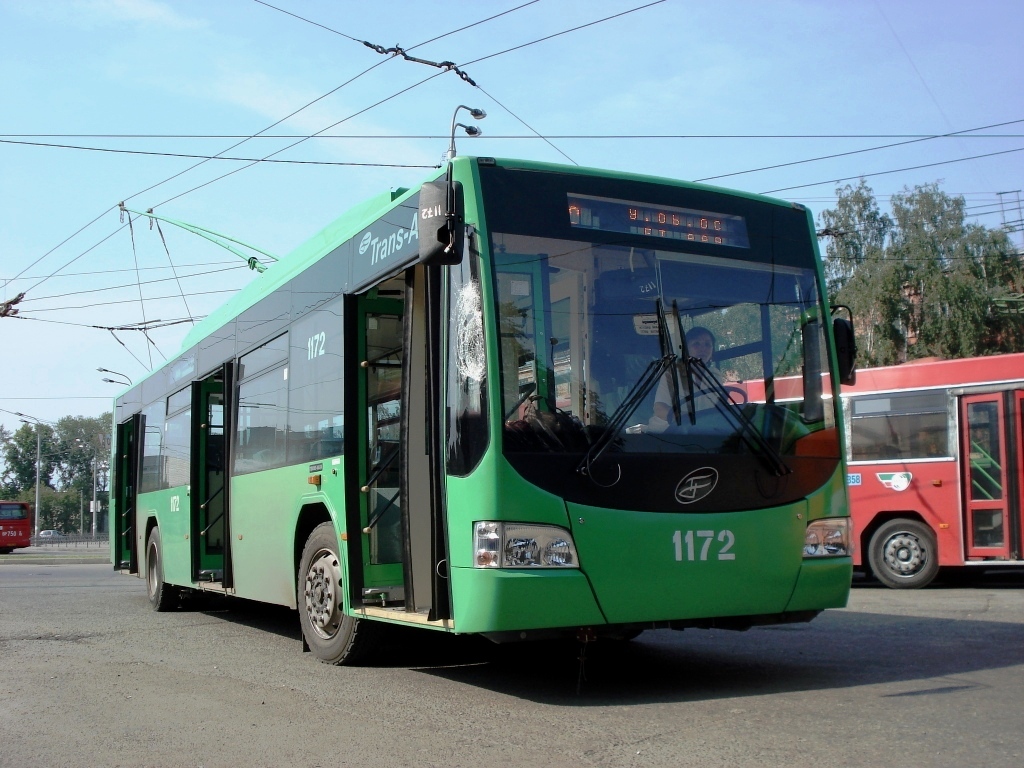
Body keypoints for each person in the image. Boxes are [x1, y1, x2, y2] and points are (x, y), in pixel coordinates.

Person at [648, 326, 717, 432]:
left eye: (707, 344)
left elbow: (719, 409)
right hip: (666, 432)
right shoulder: (672, 373)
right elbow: (660, 409)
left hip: (703, 432)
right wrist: (691, 420)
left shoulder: (715, 375)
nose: (703, 349)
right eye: (696, 344)